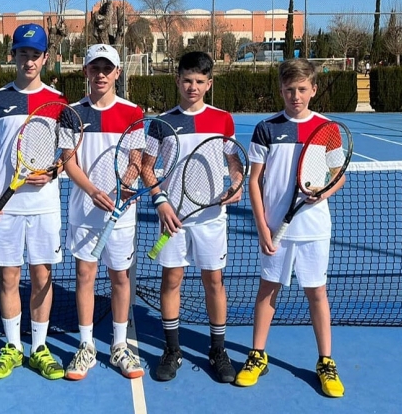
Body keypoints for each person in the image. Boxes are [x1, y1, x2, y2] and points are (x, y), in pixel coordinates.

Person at [234, 58, 346, 398]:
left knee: (317, 293)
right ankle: (257, 355)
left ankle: (325, 361)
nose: (295, 95)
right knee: (268, 290)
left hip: (314, 228)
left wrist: (323, 193)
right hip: (274, 229)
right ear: (280, 91)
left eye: (301, 89)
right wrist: (262, 226)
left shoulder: (327, 128)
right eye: (288, 90)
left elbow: (337, 176)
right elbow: (255, 181)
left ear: (313, 89)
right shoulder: (265, 129)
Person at [0, 23, 68, 381]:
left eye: (35, 54)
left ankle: (39, 348)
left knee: (42, 277)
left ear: (46, 58)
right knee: (8, 277)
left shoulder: (59, 102)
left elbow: (66, 154)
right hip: (5, 207)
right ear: (12, 55)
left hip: (44, 206)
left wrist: (54, 171)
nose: (28, 61)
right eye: (22, 53)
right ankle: (13, 347)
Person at [143, 51, 242, 383]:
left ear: (209, 84)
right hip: (173, 218)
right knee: (171, 281)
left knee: (214, 282)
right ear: (177, 80)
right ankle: (172, 350)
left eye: (200, 81)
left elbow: (233, 162)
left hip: (211, 218)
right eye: (187, 80)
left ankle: (218, 350)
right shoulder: (161, 122)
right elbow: (146, 167)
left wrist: (238, 181)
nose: (193, 87)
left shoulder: (222, 119)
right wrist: (160, 202)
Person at [62, 44, 145, 381]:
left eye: (106, 69)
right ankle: (86, 346)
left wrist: (129, 179)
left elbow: (137, 156)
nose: (100, 74)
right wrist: (92, 190)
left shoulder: (132, 112)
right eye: (94, 68)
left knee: (120, 277)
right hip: (85, 209)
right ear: (85, 72)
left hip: (121, 212)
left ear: (117, 73)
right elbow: (68, 159)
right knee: (85, 275)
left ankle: (120, 344)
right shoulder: (71, 112)